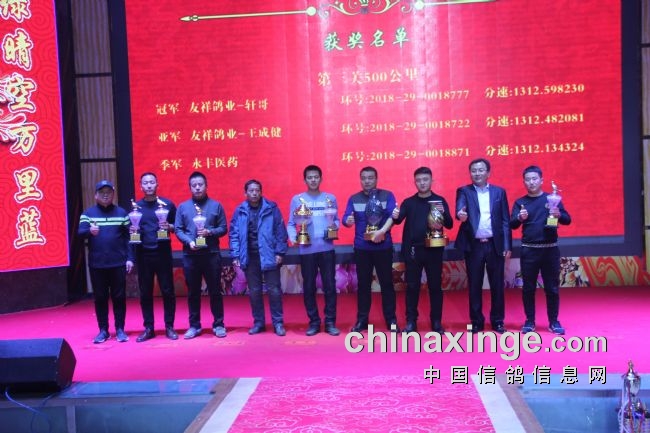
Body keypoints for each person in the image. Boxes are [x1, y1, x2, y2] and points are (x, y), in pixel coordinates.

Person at [509, 165, 571, 335]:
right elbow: (512, 224)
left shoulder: (552, 199)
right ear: (524, 182)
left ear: (541, 180)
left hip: (550, 250)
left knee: (552, 288)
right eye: (528, 179)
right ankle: (529, 321)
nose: (531, 182)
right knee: (528, 288)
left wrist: (558, 214)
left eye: (534, 179)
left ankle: (554, 321)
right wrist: (519, 218)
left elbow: (567, 219)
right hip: (529, 250)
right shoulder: (520, 202)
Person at [392, 167, 452, 333]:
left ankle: (436, 322)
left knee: (435, 287)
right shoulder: (409, 202)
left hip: (434, 250)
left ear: (432, 181)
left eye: (425, 179)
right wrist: (395, 215)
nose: (422, 183)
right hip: (413, 251)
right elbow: (398, 220)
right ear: (415, 182)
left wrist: (443, 213)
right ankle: (411, 322)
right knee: (412, 287)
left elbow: (449, 224)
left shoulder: (439, 201)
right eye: (418, 180)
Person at [455, 158, 512, 334]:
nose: (477, 173)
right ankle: (476, 321)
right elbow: (460, 208)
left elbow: (505, 220)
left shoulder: (499, 192)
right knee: (474, 285)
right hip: (474, 246)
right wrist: (460, 214)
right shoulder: (464, 191)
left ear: (488, 173)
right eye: (473, 170)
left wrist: (507, 245)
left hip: (495, 245)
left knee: (497, 285)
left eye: (480, 170)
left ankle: (498, 321)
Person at [342, 166, 399, 332]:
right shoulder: (354, 198)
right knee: (363, 285)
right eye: (364, 178)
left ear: (376, 179)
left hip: (383, 247)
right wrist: (347, 221)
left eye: (370, 178)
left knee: (387, 284)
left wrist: (382, 232)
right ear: (360, 180)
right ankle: (362, 320)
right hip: (362, 248)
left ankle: (391, 319)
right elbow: (345, 218)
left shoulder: (387, 195)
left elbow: (393, 217)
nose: (367, 181)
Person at [230, 180, 288, 336]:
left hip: (269, 255)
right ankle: (259, 322)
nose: (254, 193)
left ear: (261, 192)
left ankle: (278, 323)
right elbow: (234, 234)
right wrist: (235, 254)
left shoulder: (271, 208)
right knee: (254, 291)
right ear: (245, 193)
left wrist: (279, 253)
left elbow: (280, 232)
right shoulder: (240, 210)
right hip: (250, 256)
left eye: (257, 190)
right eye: (251, 190)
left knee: (274, 290)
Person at [287, 165, 340, 336]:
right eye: (310, 177)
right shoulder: (297, 199)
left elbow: (336, 220)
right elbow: (290, 223)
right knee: (309, 287)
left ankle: (330, 322)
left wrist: (333, 227)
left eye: (316, 177)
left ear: (321, 179)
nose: (313, 180)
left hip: (327, 248)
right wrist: (294, 237)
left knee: (330, 286)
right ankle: (314, 322)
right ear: (305, 180)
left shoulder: (330, 198)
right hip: (307, 250)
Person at [78, 180, 134, 344]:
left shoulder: (122, 213)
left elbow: (129, 238)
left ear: (113, 194)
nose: (105, 195)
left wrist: (130, 258)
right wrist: (90, 231)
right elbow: (80, 233)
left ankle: (120, 329)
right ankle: (103, 330)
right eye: (102, 192)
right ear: (95, 195)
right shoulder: (88, 214)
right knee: (100, 297)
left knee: (119, 297)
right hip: (97, 264)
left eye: (108, 192)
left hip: (118, 263)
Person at [175, 171, 228, 339]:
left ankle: (218, 324)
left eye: (200, 184)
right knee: (193, 292)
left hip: (211, 254)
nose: (197, 188)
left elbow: (223, 228)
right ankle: (194, 325)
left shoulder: (216, 206)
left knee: (215, 291)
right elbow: (178, 229)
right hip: (191, 255)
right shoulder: (183, 207)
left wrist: (209, 232)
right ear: (190, 187)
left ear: (206, 186)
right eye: (194, 185)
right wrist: (189, 242)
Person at [132, 172, 178, 342]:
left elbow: (178, 226)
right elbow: (132, 232)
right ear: (141, 186)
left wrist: (170, 226)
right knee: (145, 292)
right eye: (146, 183)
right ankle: (149, 327)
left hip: (163, 254)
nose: (149, 185)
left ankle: (169, 326)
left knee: (168, 291)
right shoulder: (136, 208)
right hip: (143, 255)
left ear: (157, 184)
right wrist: (133, 231)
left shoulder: (167, 204)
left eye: (152, 182)